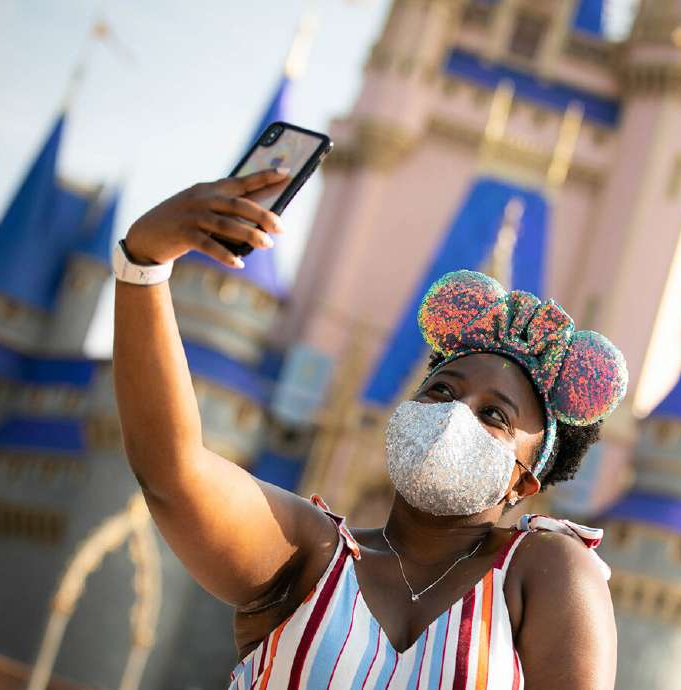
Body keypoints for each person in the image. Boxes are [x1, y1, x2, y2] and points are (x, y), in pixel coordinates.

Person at [111, 169, 629, 689]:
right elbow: (171, 471)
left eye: (494, 415)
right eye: (441, 391)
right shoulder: (310, 557)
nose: (454, 414)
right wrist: (143, 265)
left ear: (523, 482)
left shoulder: (541, 572)